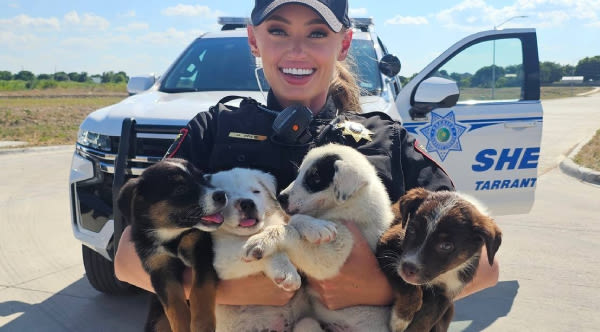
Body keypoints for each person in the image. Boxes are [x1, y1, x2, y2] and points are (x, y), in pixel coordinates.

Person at [115, 0, 499, 313]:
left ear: (344, 43)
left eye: (317, 33)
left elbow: (484, 269)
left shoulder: (387, 139)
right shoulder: (211, 129)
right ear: (253, 40)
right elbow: (128, 260)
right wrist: (234, 291)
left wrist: (379, 290)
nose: (296, 50)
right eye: (278, 30)